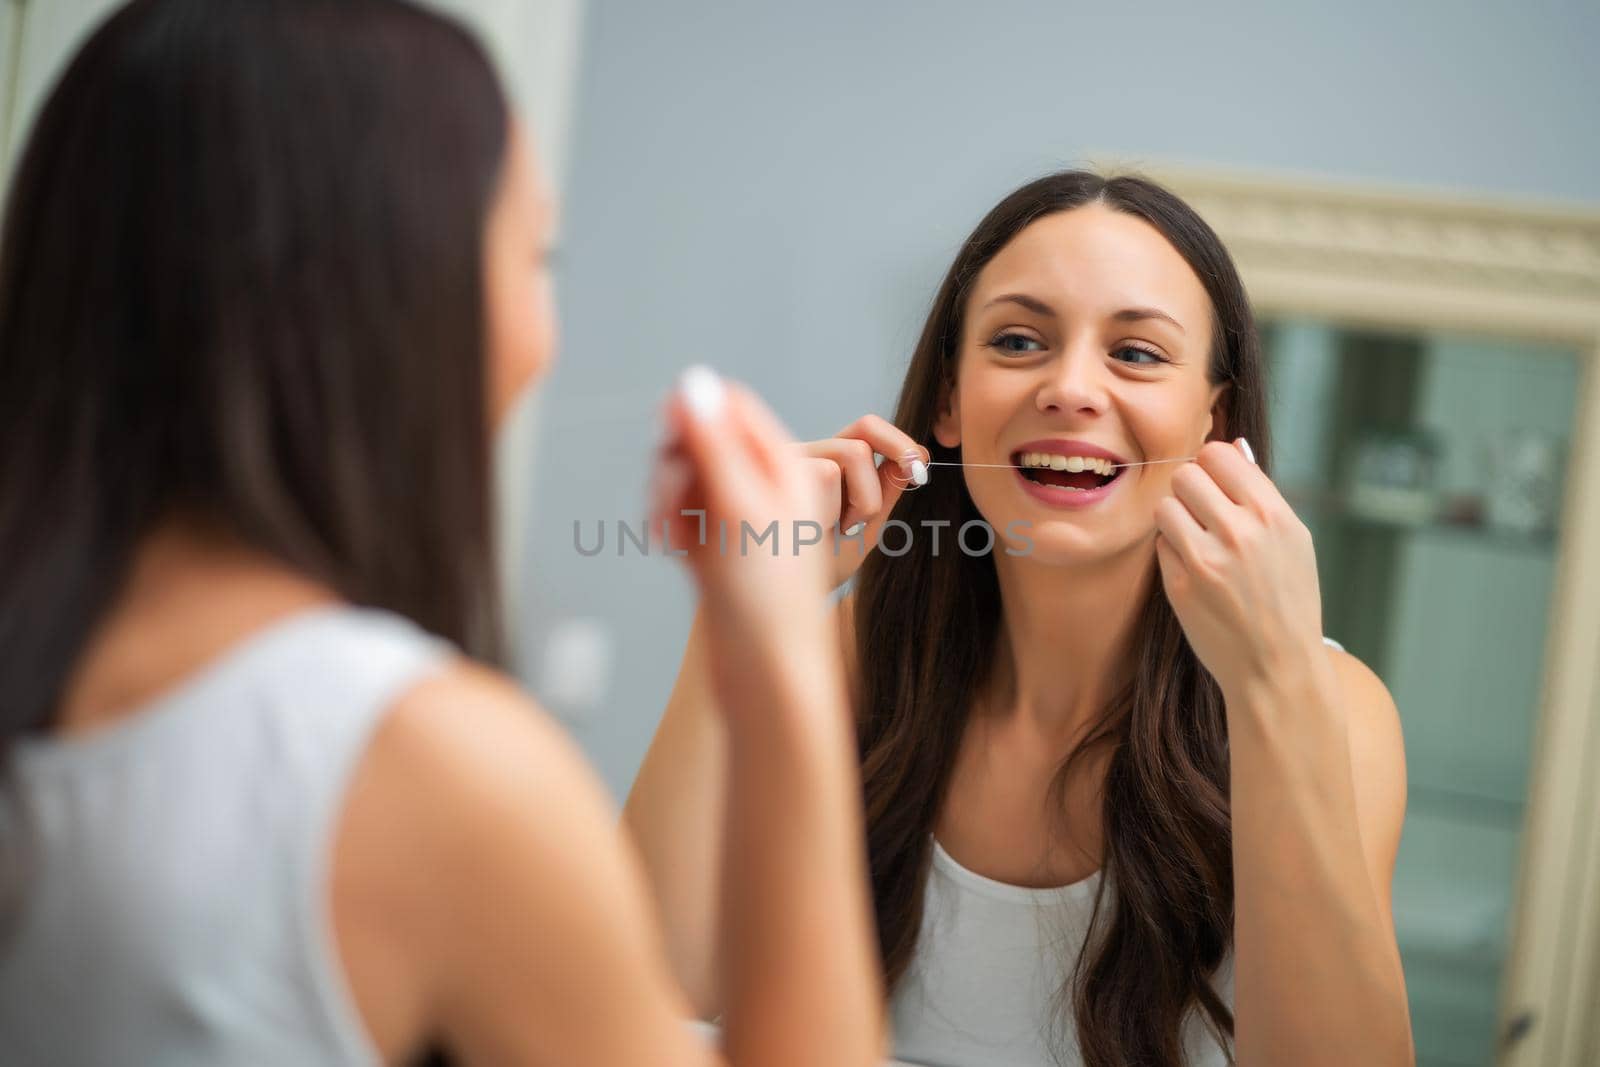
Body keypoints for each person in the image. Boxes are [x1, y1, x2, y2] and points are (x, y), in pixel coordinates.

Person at [0, 2, 882, 1064]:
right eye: (534, 259)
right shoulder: (422, 765)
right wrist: (779, 661)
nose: (545, 339)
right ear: (393, 295)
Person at [626, 172, 1415, 1066]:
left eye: (1139, 354)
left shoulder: (1328, 704)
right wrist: (737, 608)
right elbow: (645, 987)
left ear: (1213, 418)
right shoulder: (852, 662)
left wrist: (1275, 683)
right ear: (949, 402)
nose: (1071, 387)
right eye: (1017, 340)